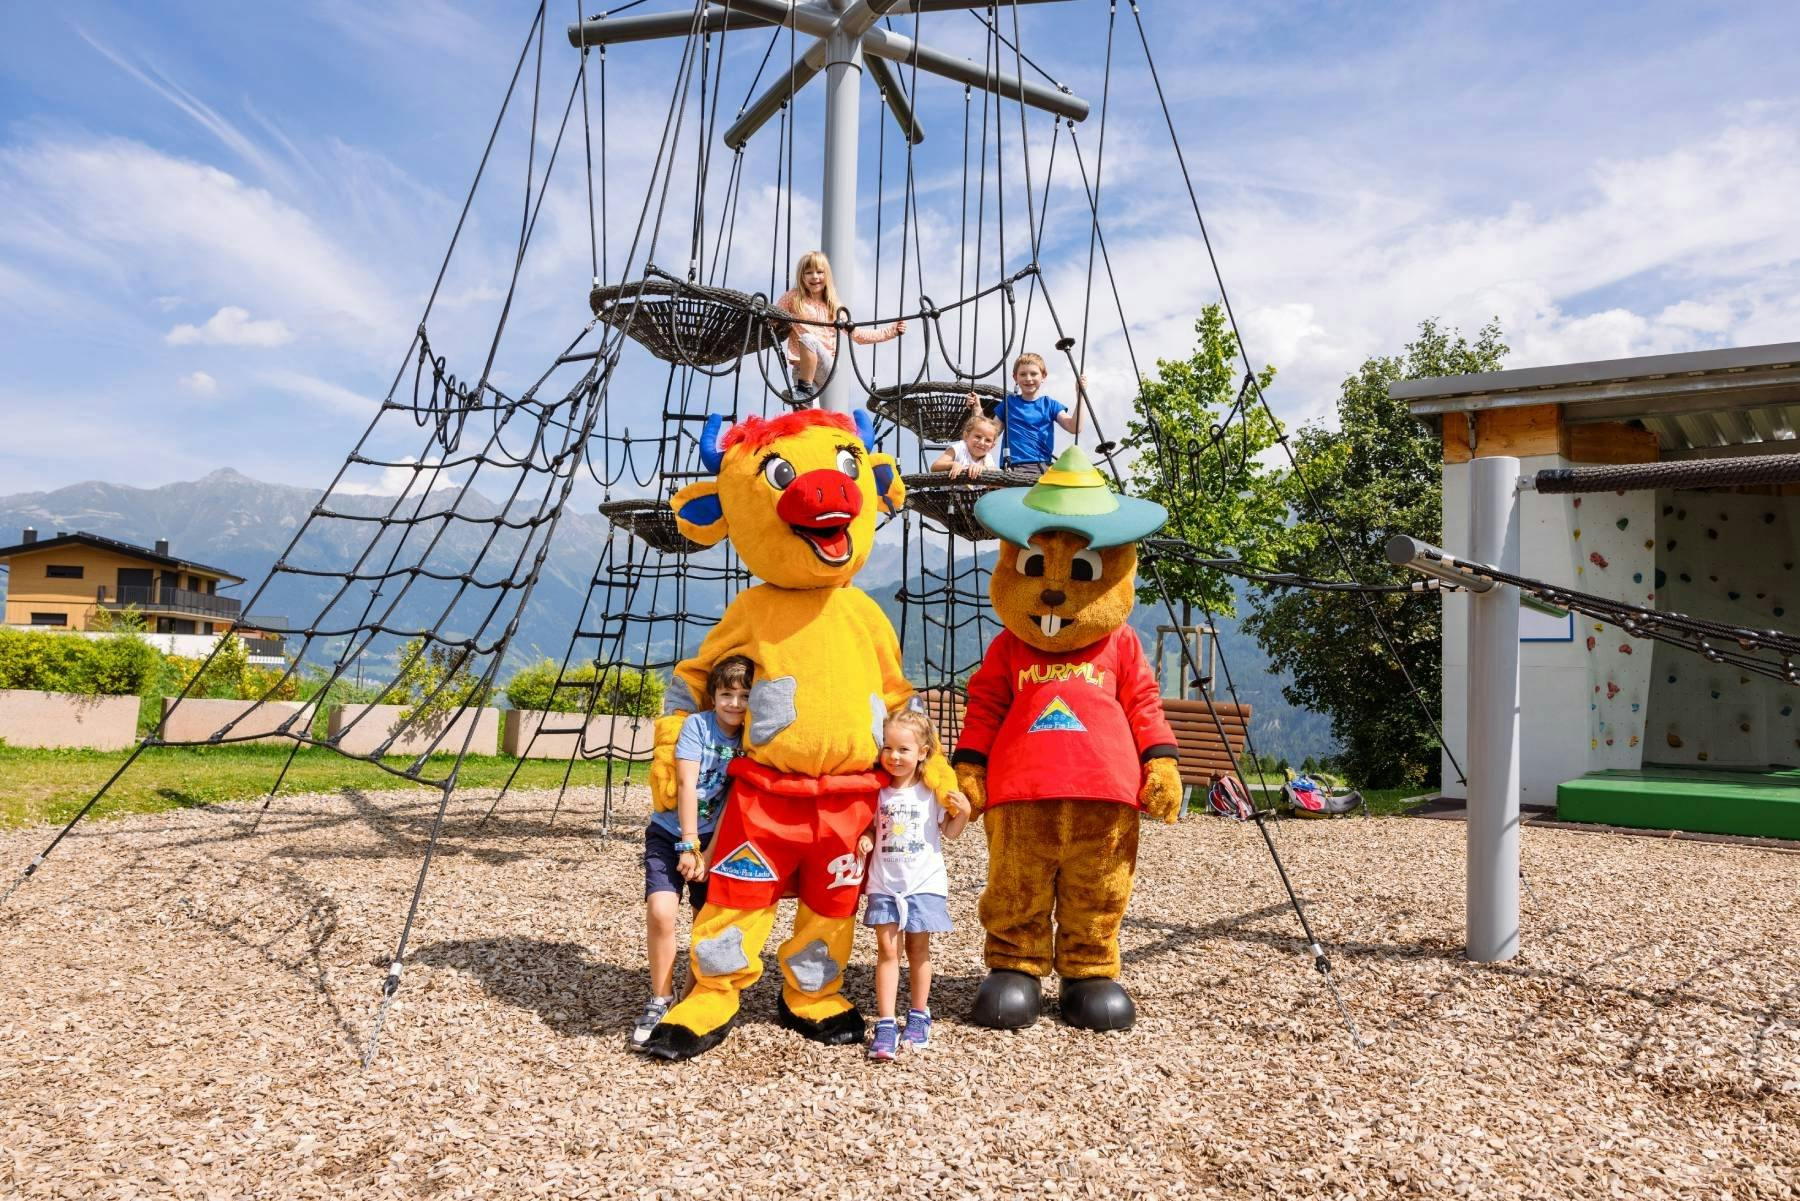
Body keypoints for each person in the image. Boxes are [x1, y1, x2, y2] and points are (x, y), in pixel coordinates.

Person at [632, 654, 754, 1050]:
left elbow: (733, 802)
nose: (734, 703)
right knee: (662, 911)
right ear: (713, 696)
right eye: (726, 694)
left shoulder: (750, 742)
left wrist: (710, 853)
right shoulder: (695, 728)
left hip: (711, 841)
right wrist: (689, 844)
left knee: (706, 924)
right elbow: (687, 785)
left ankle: (687, 999)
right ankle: (660, 997)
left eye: (743, 696)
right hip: (673, 833)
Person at [859, 709, 971, 1061]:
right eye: (888, 748)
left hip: (923, 883)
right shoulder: (877, 792)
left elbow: (949, 833)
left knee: (918, 951)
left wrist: (964, 813)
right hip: (885, 883)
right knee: (887, 951)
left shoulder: (929, 792)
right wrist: (864, 837)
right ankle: (887, 1021)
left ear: (923, 751)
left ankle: (920, 1014)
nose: (895, 756)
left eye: (904, 749)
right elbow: (869, 827)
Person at [775, 251, 905, 401]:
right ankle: (802, 396)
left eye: (820, 272)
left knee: (807, 339)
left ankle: (802, 391)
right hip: (801, 369)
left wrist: (892, 331)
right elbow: (774, 319)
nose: (815, 276)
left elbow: (858, 336)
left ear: (826, 275)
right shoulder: (793, 297)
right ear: (801, 276)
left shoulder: (833, 305)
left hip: (825, 366)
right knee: (806, 414)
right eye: (809, 272)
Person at [966, 352, 1084, 477]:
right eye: (1023, 374)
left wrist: (1080, 395)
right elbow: (989, 432)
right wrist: (977, 409)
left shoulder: (1049, 405)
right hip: (1012, 465)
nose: (1028, 378)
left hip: (1041, 466)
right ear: (1015, 378)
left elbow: (1074, 427)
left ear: (1043, 376)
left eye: (1033, 374)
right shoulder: (1009, 403)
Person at [930, 411, 1002, 478]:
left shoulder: (987, 457)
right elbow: (934, 467)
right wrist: (952, 464)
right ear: (966, 436)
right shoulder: (959, 448)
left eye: (988, 440)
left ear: (992, 446)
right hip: (952, 491)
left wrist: (984, 468)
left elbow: (997, 472)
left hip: (979, 491)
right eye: (978, 437)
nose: (981, 442)